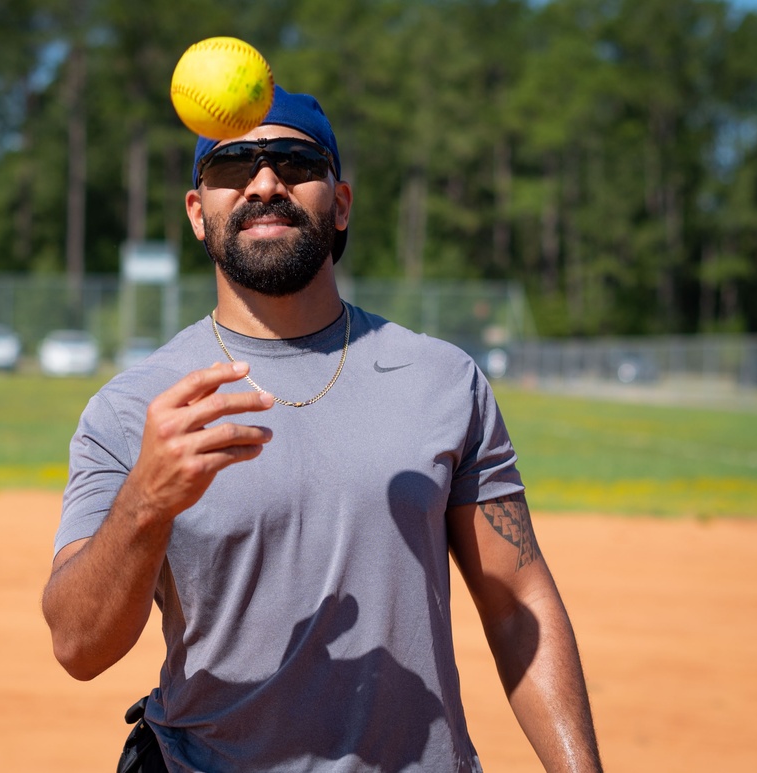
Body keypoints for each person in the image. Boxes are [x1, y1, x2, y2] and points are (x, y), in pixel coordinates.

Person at [42, 85, 603, 773]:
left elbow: (518, 603)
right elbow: (78, 645)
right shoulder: (134, 408)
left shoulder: (441, 380)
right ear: (198, 211)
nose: (265, 182)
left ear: (340, 204)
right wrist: (145, 500)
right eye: (231, 166)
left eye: (296, 162)